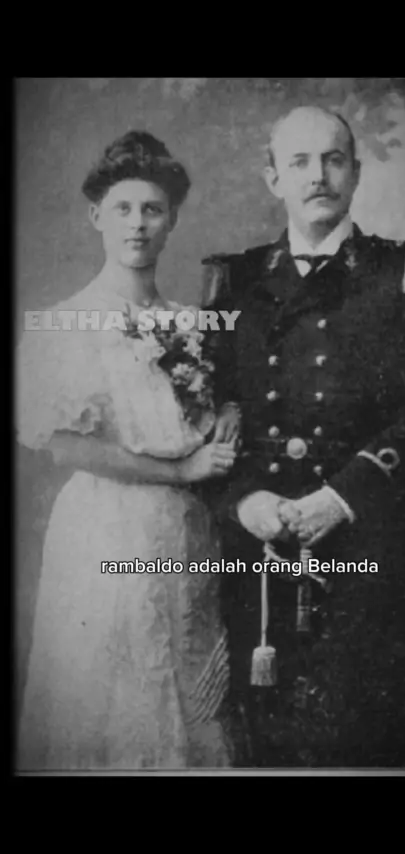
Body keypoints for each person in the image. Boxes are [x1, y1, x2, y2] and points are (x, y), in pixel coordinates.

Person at [201, 106, 405, 767]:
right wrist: (242, 499)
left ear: (356, 172)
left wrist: (341, 498)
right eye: (299, 162)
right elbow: (209, 409)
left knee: (366, 739)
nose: (318, 175)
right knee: (265, 742)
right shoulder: (236, 282)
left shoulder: (402, 273)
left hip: (363, 541)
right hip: (259, 546)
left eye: (333, 159)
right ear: (273, 178)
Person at [15, 130, 241, 770]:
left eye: (152, 209)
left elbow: (208, 410)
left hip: (186, 531)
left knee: (187, 690)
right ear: (96, 217)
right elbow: (66, 448)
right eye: (122, 209)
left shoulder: (193, 323)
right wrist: (182, 467)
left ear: (172, 221)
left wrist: (230, 411)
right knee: (114, 696)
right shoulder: (65, 324)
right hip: (106, 529)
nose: (137, 224)